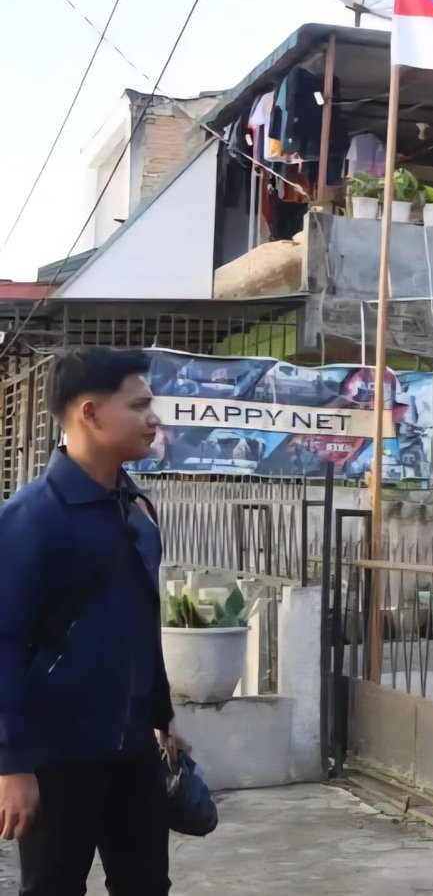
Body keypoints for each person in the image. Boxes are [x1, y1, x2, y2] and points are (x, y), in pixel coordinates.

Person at [0, 347, 187, 894]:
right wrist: (12, 765)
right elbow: (4, 644)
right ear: (89, 413)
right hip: (57, 757)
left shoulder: (137, 511)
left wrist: (164, 717)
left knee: (147, 884)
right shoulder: (28, 520)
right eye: (140, 405)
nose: (154, 419)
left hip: (133, 750)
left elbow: (141, 622)